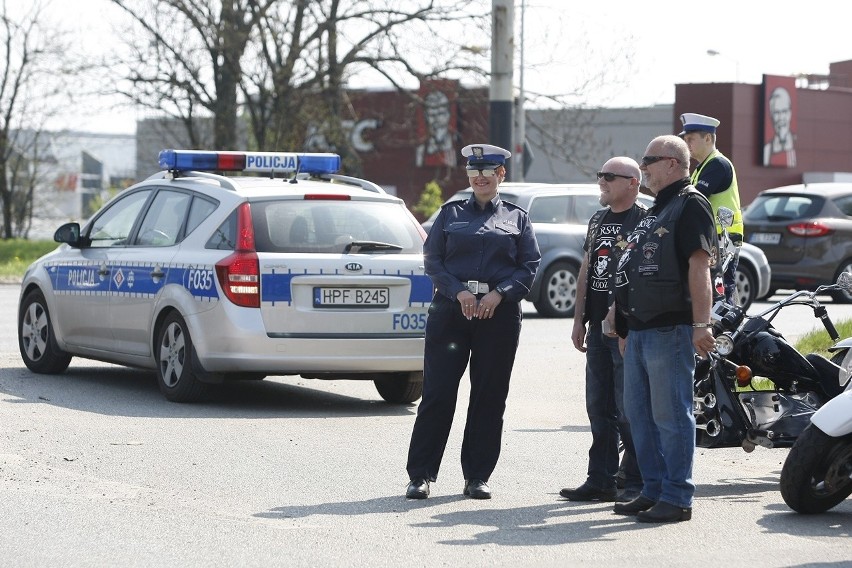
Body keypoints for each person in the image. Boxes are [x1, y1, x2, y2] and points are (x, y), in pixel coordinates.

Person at [405, 143, 541, 500]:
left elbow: (529, 265)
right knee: (437, 394)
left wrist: (500, 294)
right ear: (468, 175)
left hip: (498, 314)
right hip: (452, 311)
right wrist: (458, 292)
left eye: (488, 171)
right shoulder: (450, 214)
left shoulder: (517, 217)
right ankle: (420, 475)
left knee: (489, 395)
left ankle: (477, 475)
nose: (480, 177)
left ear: (501, 175)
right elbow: (432, 260)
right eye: (473, 171)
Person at [612, 135, 718, 523]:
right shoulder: (658, 209)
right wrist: (622, 325)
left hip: (669, 330)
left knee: (671, 415)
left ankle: (677, 497)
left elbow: (699, 266)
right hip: (638, 331)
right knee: (639, 416)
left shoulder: (690, 205)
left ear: (673, 163)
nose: (644, 168)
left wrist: (701, 324)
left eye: (649, 160)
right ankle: (653, 489)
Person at [560, 157, 645, 504]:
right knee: (598, 407)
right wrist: (579, 318)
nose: (602, 182)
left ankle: (636, 481)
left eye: (609, 177)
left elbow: (641, 277)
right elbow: (586, 268)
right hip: (596, 328)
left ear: (632, 183)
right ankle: (601, 480)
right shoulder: (598, 219)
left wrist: (622, 319)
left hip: (624, 330)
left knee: (629, 409)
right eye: (600, 176)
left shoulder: (645, 221)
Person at [679, 113, 743, 305]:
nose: (686, 144)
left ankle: (729, 334)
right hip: (715, 239)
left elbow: (694, 199)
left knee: (721, 292)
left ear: (708, 138)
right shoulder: (702, 167)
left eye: (691, 139)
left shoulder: (717, 164)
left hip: (724, 240)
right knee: (720, 290)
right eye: (685, 139)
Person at [415, 90, 457, 167]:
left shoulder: (457, 147)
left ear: (448, 115)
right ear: (426, 117)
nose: (437, 120)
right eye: (432, 115)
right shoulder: (421, 151)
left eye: (441, 114)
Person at [763, 87, 797, 167]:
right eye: (777, 113)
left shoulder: (796, 145)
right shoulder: (767, 150)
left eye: (784, 111)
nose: (781, 118)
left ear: (790, 113)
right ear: (771, 116)